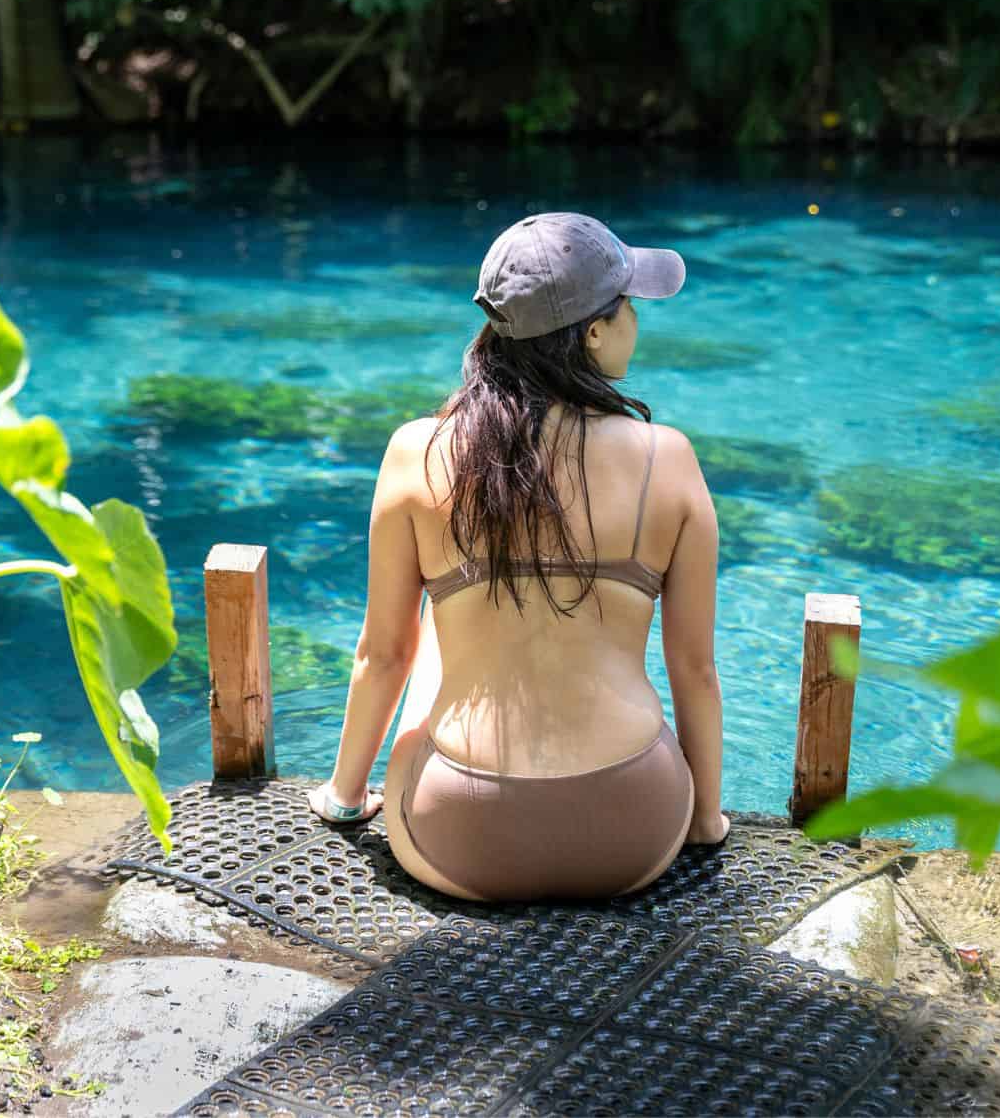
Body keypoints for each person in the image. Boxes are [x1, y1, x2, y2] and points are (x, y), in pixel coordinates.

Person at [307, 212, 728, 901]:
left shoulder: (418, 451)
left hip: (462, 831)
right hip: (632, 828)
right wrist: (705, 820)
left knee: (435, 641)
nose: (636, 325)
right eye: (630, 308)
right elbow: (695, 669)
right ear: (594, 330)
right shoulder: (670, 459)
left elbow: (382, 655)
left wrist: (345, 799)